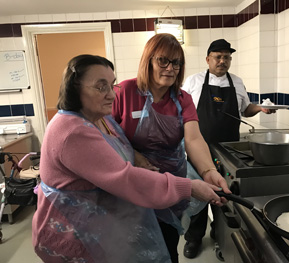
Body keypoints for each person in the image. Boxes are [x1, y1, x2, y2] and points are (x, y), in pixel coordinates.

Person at [31, 54, 226, 263]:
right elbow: (125, 178)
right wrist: (189, 187)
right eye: (100, 86)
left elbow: (192, 139)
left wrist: (207, 171)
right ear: (74, 88)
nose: (112, 95)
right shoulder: (72, 131)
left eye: (111, 85)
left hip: (99, 225)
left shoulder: (100, 119)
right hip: (75, 233)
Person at [111, 33, 231, 263]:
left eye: (176, 63)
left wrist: (208, 172)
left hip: (171, 187)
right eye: (163, 60)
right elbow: (105, 134)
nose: (170, 68)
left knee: (167, 248)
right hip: (134, 186)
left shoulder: (182, 99)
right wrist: (134, 155)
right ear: (148, 60)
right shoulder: (124, 92)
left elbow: (194, 140)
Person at [181, 39, 275, 259]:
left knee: (225, 195)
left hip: (228, 149)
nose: (223, 61)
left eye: (227, 57)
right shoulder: (193, 81)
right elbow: (181, 112)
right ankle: (194, 238)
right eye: (218, 56)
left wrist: (260, 108)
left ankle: (219, 233)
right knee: (199, 195)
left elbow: (246, 110)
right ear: (208, 59)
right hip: (199, 149)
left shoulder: (237, 82)